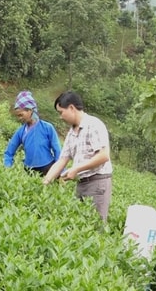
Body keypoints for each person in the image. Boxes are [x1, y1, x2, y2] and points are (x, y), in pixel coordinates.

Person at [43, 91, 113, 222]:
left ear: (71, 108)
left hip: (97, 183)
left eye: (61, 112)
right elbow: (62, 160)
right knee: (80, 224)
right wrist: (46, 182)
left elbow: (103, 156)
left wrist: (76, 169)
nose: (60, 117)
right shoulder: (72, 132)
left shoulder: (93, 125)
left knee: (95, 225)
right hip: (82, 183)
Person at [4, 91, 61, 177]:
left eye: (21, 115)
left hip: (48, 168)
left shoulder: (47, 127)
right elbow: (9, 152)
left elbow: (57, 150)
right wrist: (7, 167)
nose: (19, 118)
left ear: (30, 110)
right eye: (18, 116)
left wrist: (60, 170)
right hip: (30, 171)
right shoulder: (21, 131)